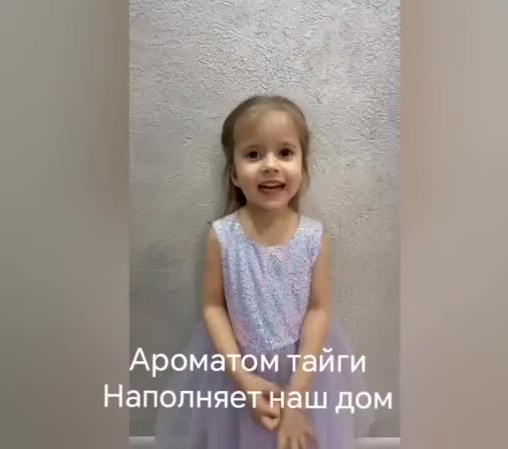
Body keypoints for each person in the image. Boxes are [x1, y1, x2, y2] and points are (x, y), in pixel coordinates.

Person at [153, 95, 373, 448]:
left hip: (304, 370)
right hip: (234, 369)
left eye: (285, 152)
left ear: (303, 166)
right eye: (254, 154)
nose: (270, 165)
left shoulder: (313, 237)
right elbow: (213, 307)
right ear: (234, 174)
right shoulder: (222, 237)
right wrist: (242, 379)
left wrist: (298, 395)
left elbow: (318, 310)